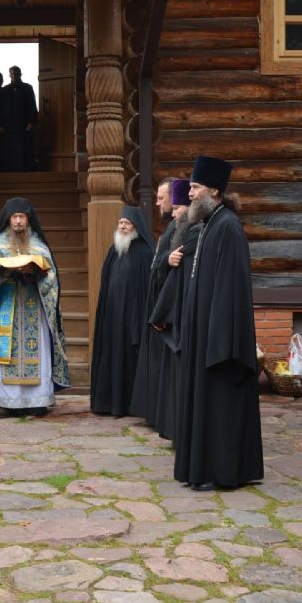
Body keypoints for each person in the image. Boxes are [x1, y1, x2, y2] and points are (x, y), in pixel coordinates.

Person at [174, 156, 263, 490]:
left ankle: (223, 472)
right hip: (204, 336)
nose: (190, 193)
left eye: (195, 187)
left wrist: (219, 344)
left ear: (214, 190)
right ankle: (204, 469)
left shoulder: (228, 227)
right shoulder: (209, 225)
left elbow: (230, 291)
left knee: (221, 408)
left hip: (220, 343)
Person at [0, 197, 69, 414]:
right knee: (7, 351)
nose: (18, 221)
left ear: (28, 219)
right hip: (7, 304)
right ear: (8, 220)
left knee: (38, 350)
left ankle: (38, 401)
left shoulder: (38, 245)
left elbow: (52, 279)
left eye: (22, 217)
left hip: (34, 305)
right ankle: (7, 401)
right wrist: (2, 273)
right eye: (15, 217)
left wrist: (35, 272)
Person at [90, 206, 154, 417]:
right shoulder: (114, 250)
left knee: (128, 359)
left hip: (132, 318)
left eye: (127, 223)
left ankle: (127, 405)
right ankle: (107, 403)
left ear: (136, 226)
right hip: (112, 316)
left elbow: (147, 289)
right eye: (120, 222)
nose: (122, 226)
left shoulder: (145, 253)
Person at [148, 179, 194, 442]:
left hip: (181, 314)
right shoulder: (173, 229)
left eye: (178, 208)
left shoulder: (192, 231)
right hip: (171, 313)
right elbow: (161, 264)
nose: (174, 213)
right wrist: (167, 259)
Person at [129, 178, 175, 426]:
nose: (157, 203)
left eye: (161, 198)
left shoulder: (181, 228)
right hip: (158, 307)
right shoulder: (169, 228)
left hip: (167, 310)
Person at [0, 66, 38, 172]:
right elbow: (0, 109)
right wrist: (0, 125)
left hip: (23, 127)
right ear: (9, 75)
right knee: (10, 155)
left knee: (23, 154)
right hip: (8, 128)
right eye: (12, 73)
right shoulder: (4, 90)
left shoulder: (27, 88)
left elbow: (32, 106)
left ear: (20, 74)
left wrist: (31, 123)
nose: (14, 75)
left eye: (16, 73)